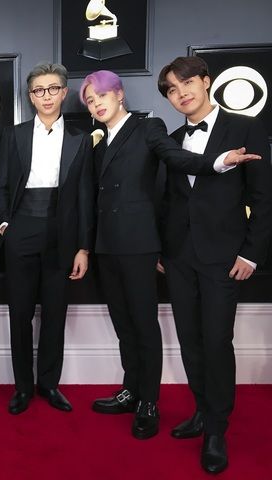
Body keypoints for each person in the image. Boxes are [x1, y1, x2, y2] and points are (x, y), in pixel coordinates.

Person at [79, 69, 261, 441]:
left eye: (102, 95)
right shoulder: (98, 145)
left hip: (167, 249)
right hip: (132, 249)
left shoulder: (151, 129)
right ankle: (150, 396)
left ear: (120, 94)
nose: (96, 104)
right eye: (90, 101)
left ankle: (168, 409)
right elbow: (166, 198)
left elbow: (182, 161)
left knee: (197, 337)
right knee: (142, 330)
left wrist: (218, 161)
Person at [157, 56, 272, 473]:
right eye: (172, 90)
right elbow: (168, 201)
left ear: (206, 81)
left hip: (224, 258)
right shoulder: (171, 139)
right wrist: (162, 251)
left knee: (217, 340)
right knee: (190, 340)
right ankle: (202, 411)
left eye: (186, 82)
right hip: (178, 258)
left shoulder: (244, 127)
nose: (181, 93)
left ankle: (217, 429)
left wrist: (251, 253)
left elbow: (263, 197)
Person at [0, 63, 94, 415]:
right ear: (31, 96)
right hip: (21, 228)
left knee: (55, 313)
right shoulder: (14, 135)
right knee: (19, 313)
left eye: (53, 89)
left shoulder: (81, 139)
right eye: (39, 90)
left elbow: (85, 196)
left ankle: (49, 384)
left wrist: (83, 246)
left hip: (62, 233)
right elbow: (1, 184)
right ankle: (22, 387)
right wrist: (5, 225)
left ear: (64, 93)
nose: (46, 96)